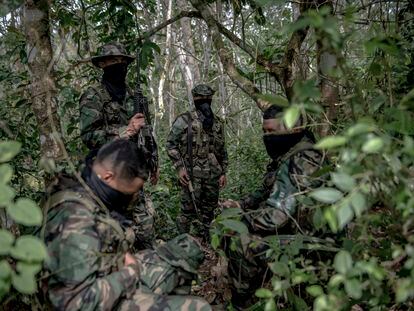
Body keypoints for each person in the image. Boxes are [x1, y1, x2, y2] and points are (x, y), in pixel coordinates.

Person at [41, 139, 211, 311]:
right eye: (129, 193)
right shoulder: (75, 221)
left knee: (186, 249)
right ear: (108, 176)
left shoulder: (85, 179)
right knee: (199, 307)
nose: (132, 199)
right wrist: (129, 273)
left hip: (109, 270)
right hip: (93, 295)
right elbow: (73, 304)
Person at [219, 105, 326, 307]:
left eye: (272, 131)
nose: (267, 137)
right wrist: (241, 204)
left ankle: (244, 303)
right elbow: (269, 191)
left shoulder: (303, 158)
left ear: (293, 129)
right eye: (264, 131)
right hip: (300, 231)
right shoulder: (291, 154)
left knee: (239, 241)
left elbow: (276, 217)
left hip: (314, 242)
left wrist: (243, 220)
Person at [79, 42, 158, 249]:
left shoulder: (135, 96)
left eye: (123, 62)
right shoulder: (93, 96)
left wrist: (152, 162)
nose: (120, 65)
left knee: (146, 229)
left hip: (133, 172)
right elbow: (88, 136)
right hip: (107, 177)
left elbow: (147, 133)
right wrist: (126, 131)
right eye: (114, 61)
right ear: (103, 64)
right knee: (112, 234)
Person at [166, 84, 228, 240]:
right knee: (187, 212)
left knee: (210, 210)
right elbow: (170, 145)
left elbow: (222, 149)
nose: (205, 102)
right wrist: (180, 168)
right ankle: (182, 243)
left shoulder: (217, 123)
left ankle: (208, 242)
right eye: (201, 99)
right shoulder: (184, 120)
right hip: (191, 175)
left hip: (212, 174)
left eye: (208, 99)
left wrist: (223, 172)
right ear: (194, 99)